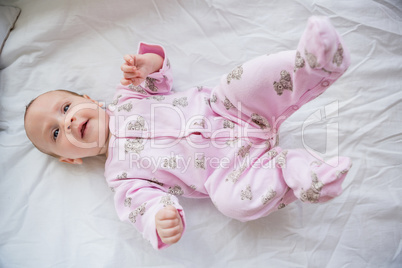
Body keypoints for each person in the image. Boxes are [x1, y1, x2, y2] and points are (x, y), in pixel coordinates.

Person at [24, 16, 352, 250]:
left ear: (87, 100)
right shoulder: (121, 179)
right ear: (70, 158)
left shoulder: (128, 95)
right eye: (54, 133)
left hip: (229, 109)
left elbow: (159, 72)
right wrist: (159, 218)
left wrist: (146, 65)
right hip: (230, 170)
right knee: (232, 204)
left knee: (241, 80)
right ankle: (299, 173)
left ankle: (313, 66)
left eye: (65, 108)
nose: (65, 123)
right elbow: (144, 205)